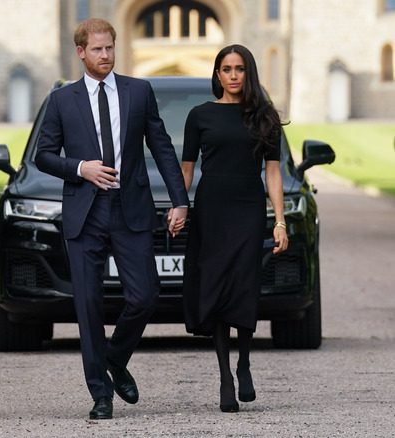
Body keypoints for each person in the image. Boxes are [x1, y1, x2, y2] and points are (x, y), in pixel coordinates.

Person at [34, 18, 189, 420]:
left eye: (110, 48)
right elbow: (43, 155)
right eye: (97, 49)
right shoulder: (62, 100)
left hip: (130, 208)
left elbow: (163, 147)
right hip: (84, 211)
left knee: (145, 295)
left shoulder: (139, 91)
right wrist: (80, 167)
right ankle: (100, 394)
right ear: (81, 52)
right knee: (88, 306)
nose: (105, 55)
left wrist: (179, 200)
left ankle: (115, 358)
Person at [180, 44, 288, 413]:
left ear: (248, 72)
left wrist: (280, 221)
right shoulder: (199, 115)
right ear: (217, 74)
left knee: (244, 284)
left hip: (248, 210)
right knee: (217, 286)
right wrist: (180, 206)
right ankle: (225, 375)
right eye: (226, 69)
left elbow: (273, 172)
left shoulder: (265, 117)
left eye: (239, 69)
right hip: (212, 210)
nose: (233, 75)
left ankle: (244, 364)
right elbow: (187, 169)